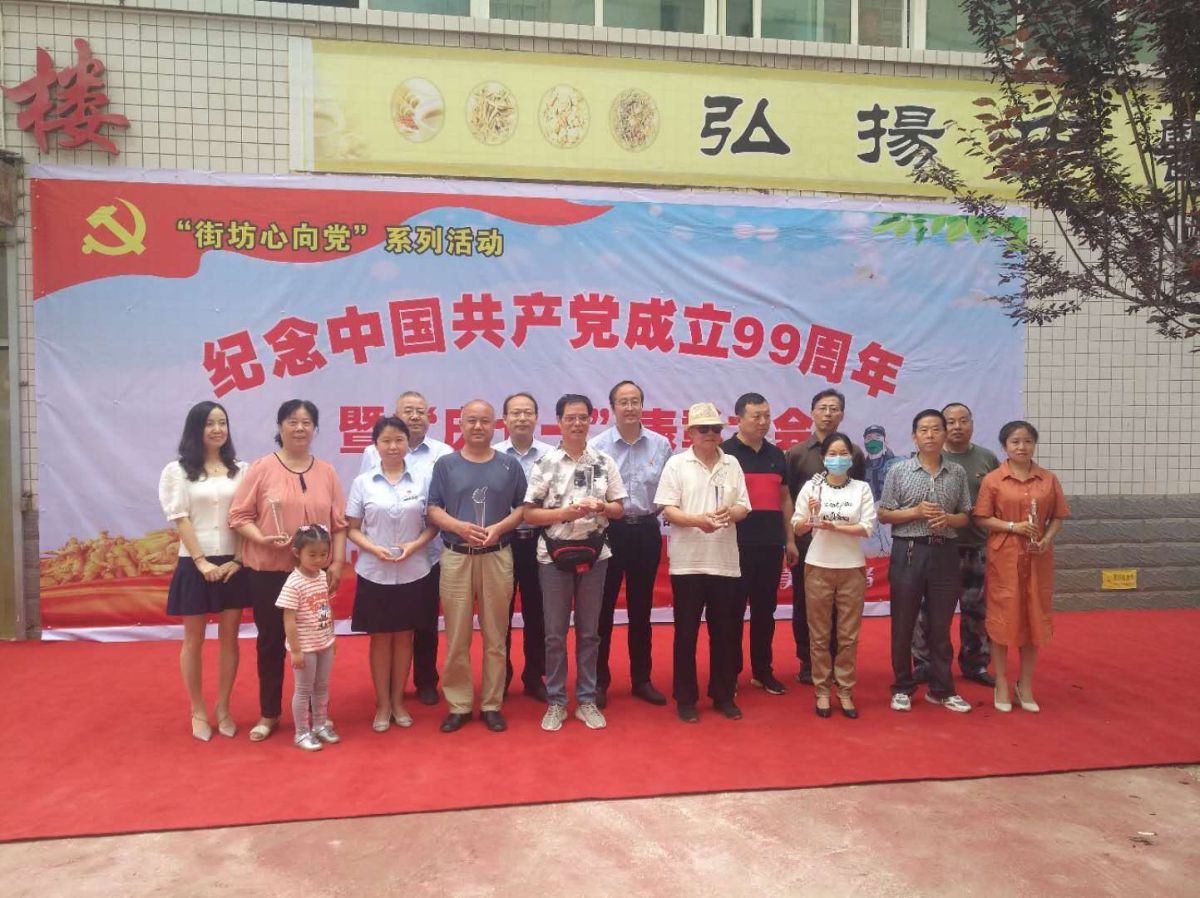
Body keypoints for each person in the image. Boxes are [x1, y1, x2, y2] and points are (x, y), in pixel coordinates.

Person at [229, 399, 348, 742]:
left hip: (314, 576)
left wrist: (336, 563)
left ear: (315, 429)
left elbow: (339, 524)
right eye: (292, 421)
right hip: (269, 571)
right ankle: (269, 713)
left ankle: (315, 716)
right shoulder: (262, 468)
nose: (299, 428)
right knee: (271, 642)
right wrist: (263, 539)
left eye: (306, 422)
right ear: (280, 426)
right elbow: (238, 516)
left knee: (315, 643)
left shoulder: (327, 472)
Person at [524, 394, 626, 731]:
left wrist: (602, 507)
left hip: (595, 555)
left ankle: (586, 700)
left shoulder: (604, 461)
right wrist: (563, 513)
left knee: (589, 632)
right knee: (554, 634)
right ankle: (556, 701)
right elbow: (529, 514)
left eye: (583, 417)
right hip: (553, 557)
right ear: (559, 421)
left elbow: (619, 509)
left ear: (591, 420)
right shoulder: (545, 462)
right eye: (570, 418)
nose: (577, 423)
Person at [426, 399, 528, 733]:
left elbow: (523, 508)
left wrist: (499, 528)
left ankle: (491, 704)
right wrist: (457, 526)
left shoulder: (510, 465)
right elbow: (433, 508)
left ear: (496, 424)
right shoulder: (446, 465)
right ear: (460, 424)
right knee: (457, 634)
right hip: (456, 556)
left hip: (497, 555)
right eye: (471, 420)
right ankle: (458, 704)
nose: (478, 427)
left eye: (484, 421)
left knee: (496, 634)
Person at [654, 402, 751, 724]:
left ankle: (723, 695)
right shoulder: (676, 464)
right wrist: (698, 521)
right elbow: (668, 509)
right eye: (703, 429)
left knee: (725, 633)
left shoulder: (732, 463)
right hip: (688, 563)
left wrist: (730, 514)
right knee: (686, 634)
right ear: (690, 433)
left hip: (724, 561)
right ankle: (685, 698)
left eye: (716, 429)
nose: (710, 434)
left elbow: (744, 507)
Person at [158, 401, 248, 741]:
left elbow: (245, 517)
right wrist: (201, 562)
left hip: (233, 564)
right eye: (210, 423)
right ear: (196, 428)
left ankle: (223, 706)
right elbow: (180, 518)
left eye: (222, 422)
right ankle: (197, 708)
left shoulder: (241, 470)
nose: (217, 429)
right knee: (193, 639)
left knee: (230, 638)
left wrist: (238, 559)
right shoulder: (177, 471)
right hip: (195, 561)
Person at [347, 416, 440, 732]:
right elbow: (352, 527)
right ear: (376, 445)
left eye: (398, 440)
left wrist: (415, 545)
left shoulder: (423, 480)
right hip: (375, 571)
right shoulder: (363, 483)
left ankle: (398, 701)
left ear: (406, 444)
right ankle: (383, 703)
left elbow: (432, 525)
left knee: (404, 638)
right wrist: (373, 549)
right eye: (385, 441)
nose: (392, 446)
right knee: (380, 638)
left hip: (415, 570)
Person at [878, 409, 974, 714]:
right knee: (903, 623)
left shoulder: (957, 473)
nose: (930, 435)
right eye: (924, 430)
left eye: (935, 429)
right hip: (909, 551)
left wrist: (948, 519)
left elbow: (965, 515)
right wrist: (915, 513)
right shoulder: (899, 471)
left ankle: (942, 689)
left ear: (944, 435)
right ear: (914, 436)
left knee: (941, 625)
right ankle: (902, 686)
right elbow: (884, 514)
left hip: (945, 552)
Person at [360, 391, 451, 707]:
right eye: (408, 411)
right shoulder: (372, 452)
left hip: (429, 553)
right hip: (382, 556)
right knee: (387, 628)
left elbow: (443, 505)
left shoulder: (442, 453)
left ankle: (426, 680)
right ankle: (387, 691)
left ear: (429, 416)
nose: (415, 416)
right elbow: (364, 501)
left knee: (425, 622)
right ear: (395, 415)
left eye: (421, 411)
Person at [973, 420, 1070, 713]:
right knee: (1003, 618)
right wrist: (1013, 526)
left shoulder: (1048, 479)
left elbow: (1058, 515)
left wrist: (1047, 539)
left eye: (1027, 441)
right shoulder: (994, 480)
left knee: (1033, 618)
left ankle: (1025, 683)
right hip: (1004, 557)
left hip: (1038, 557)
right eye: (1015, 442)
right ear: (1005, 446)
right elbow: (981, 518)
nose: (1021, 447)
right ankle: (1002, 681)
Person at [590, 380, 673, 709]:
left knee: (642, 609)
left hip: (646, 531)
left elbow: (669, 490)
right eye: (623, 402)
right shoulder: (597, 446)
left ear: (642, 405)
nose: (629, 407)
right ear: (612, 407)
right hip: (610, 530)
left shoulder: (660, 444)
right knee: (603, 609)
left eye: (635, 401)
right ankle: (599, 681)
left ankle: (642, 679)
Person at [912, 403, 1000, 687]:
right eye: (951, 422)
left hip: (975, 546)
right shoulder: (931, 458)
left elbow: (999, 500)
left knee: (976, 611)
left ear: (972, 424)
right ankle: (925, 664)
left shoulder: (987, 459)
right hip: (937, 547)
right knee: (929, 610)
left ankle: (975, 664)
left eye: (964, 421)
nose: (957, 427)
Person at [791, 432, 877, 719]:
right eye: (833, 454)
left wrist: (835, 527)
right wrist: (810, 519)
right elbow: (797, 526)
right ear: (823, 457)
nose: (838, 459)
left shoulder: (861, 489)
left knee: (848, 635)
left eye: (843, 454)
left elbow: (867, 528)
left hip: (852, 568)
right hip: (818, 565)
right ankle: (822, 690)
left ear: (851, 458)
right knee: (819, 634)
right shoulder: (812, 488)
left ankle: (846, 690)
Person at [784, 389, 866, 684]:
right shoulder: (795, 454)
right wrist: (790, 541)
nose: (828, 413)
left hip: (843, 544)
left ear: (842, 414)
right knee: (805, 603)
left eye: (834, 408)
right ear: (812, 412)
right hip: (808, 543)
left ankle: (836, 660)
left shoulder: (855, 453)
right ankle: (808, 660)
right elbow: (788, 500)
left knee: (840, 607)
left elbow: (860, 496)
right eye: (822, 408)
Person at [721, 392, 797, 696]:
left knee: (765, 611)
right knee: (732, 612)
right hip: (734, 546)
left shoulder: (777, 455)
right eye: (756, 416)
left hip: (770, 546)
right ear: (739, 419)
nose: (763, 422)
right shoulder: (725, 454)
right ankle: (730, 673)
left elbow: (785, 498)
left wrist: (789, 539)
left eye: (767, 415)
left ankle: (763, 671)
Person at [495, 392, 554, 702]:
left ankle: (535, 675)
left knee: (538, 612)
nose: (521, 418)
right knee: (499, 613)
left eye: (527, 412)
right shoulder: (492, 454)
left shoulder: (551, 454)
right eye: (515, 413)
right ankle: (499, 676)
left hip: (540, 541)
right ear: (504, 419)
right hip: (502, 543)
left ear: (536, 417)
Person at [277, 524, 339, 752]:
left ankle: (320, 725)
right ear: (297, 553)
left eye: (324, 554)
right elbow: (289, 619)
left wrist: (332, 636)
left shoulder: (323, 577)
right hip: (305, 647)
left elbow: (326, 607)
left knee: (322, 686)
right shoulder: (293, 583)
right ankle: (301, 732)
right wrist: (296, 650)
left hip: (324, 642)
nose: (318, 560)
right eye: (312, 555)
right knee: (304, 690)